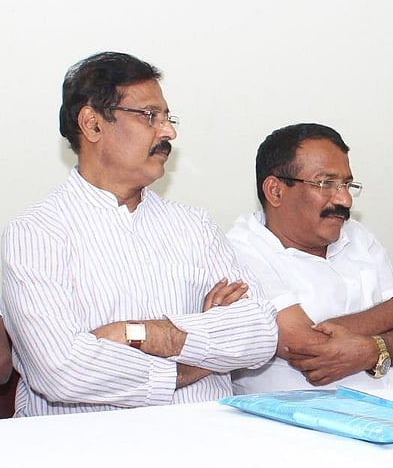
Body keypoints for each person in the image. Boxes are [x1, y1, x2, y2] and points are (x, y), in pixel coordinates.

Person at [0, 52, 278, 417]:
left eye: (167, 117)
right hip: (86, 454)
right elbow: (62, 371)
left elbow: (260, 331)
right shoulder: (35, 234)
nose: (168, 132)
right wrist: (203, 355)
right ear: (93, 125)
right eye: (150, 116)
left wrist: (146, 334)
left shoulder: (194, 225)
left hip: (206, 443)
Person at [227, 123, 393, 392]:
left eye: (347, 184)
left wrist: (372, 349)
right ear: (275, 191)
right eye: (326, 183)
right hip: (307, 425)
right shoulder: (240, 250)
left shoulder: (359, 237)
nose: (346, 200)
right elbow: (306, 346)